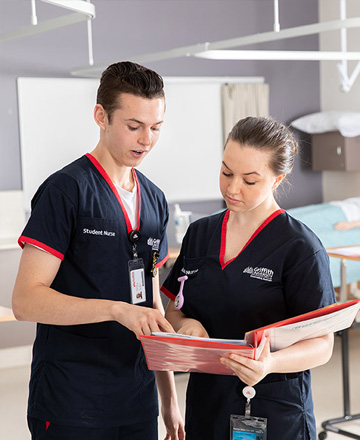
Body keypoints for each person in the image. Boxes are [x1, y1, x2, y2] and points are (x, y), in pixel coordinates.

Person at [12, 61, 185, 440]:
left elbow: (151, 305)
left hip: (137, 400)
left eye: (156, 128)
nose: (146, 140)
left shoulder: (154, 200)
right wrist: (114, 310)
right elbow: (26, 300)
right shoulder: (65, 191)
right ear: (101, 116)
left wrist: (169, 398)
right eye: (134, 126)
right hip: (72, 399)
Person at [161, 116, 336, 440]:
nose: (232, 187)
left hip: (272, 407)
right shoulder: (200, 234)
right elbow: (175, 309)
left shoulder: (300, 248)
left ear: (277, 178)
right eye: (226, 172)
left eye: (250, 180)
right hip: (206, 402)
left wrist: (269, 363)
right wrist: (186, 325)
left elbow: (322, 345)